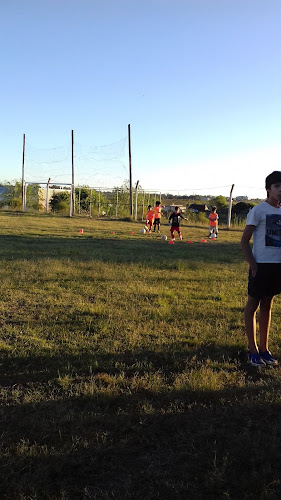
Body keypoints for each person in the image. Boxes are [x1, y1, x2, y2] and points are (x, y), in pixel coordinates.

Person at [241, 171, 281, 367]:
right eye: (277, 186)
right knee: (252, 306)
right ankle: (252, 349)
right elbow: (244, 241)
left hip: (277, 267)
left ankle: (264, 349)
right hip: (261, 267)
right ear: (268, 189)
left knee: (268, 305)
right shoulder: (258, 211)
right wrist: (253, 265)